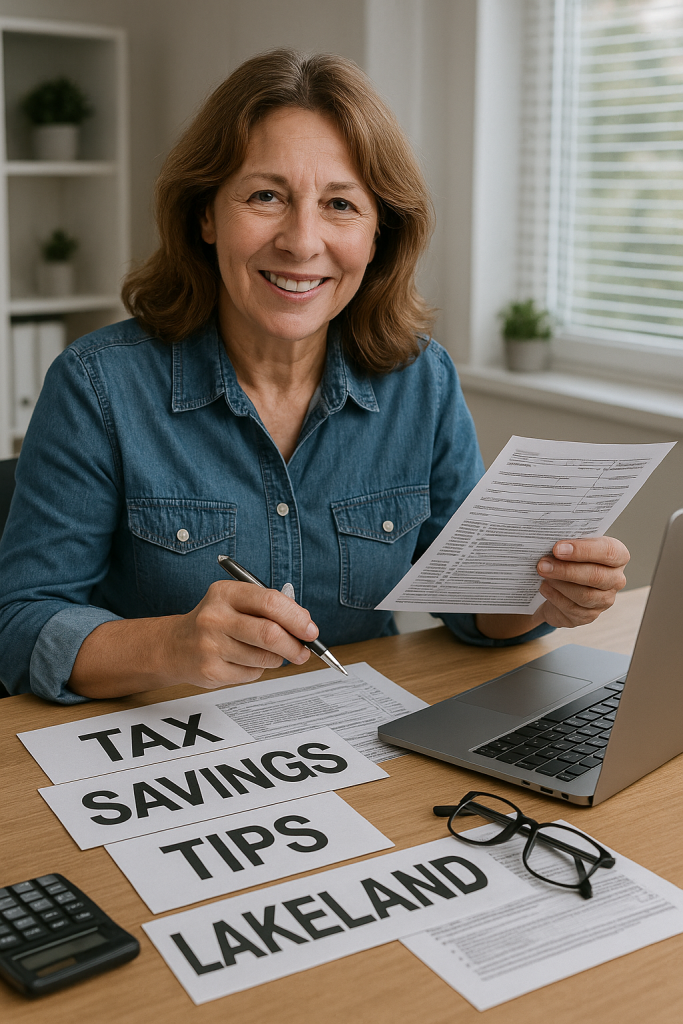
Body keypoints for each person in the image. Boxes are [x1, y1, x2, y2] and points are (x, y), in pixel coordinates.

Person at [0, 50, 629, 704]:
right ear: (206, 215)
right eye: (265, 196)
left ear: (378, 232)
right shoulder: (98, 385)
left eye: (339, 204)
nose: (302, 242)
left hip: (354, 741)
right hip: (162, 753)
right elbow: (20, 625)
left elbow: (472, 608)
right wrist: (173, 646)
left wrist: (541, 599)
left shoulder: (422, 380)